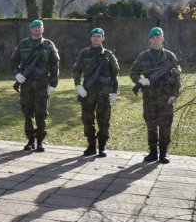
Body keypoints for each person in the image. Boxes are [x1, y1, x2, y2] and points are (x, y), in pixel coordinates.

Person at [129, 27, 181, 164]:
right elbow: (133, 72)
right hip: (149, 99)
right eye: (153, 38)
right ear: (150, 40)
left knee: (165, 126)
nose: (156, 40)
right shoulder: (143, 56)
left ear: (162, 39)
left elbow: (177, 77)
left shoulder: (170, 56)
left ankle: (163, 153)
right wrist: (140, 80)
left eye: (159, 38)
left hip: (166, 99)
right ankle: (153, 152)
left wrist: (175, 94)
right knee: (151, 126)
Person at [11, 19, 60, 152]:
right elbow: (13, 61)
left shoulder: (48, 45)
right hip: (26, 85)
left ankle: (40, 142)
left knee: (41, 113)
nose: (37, 29)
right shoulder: (23, 44)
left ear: (42, 29)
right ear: (30, 29)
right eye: (34, 27)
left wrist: (53, 83)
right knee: (27, 113)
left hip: (42, 85)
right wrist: (17, 75)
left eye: (39, 27)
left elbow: (55, 65)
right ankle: (30, 140)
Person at [72, 28, 120, 158]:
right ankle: (91, 145)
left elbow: (115, 74)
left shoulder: (108, 55)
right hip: (87, 93)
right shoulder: (84, 53)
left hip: (104, 94)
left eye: (99, 36)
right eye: (94, 36)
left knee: (104, 120)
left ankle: (102, 147)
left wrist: (114, 92)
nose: (96, 38)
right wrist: (78, 86)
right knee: (87, 120)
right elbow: (76, 71)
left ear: (103, 38)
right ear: (90, 38)